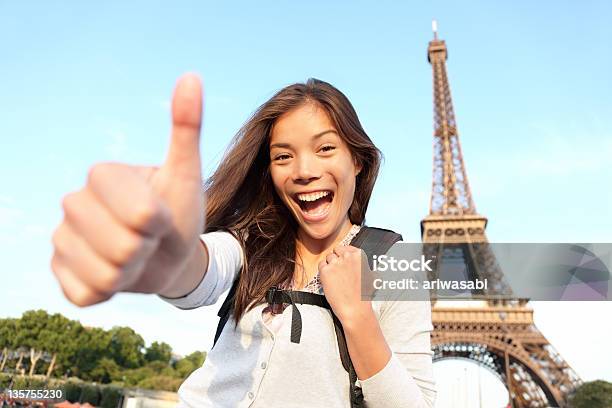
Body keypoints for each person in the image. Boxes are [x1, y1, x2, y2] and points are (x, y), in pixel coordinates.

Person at [51, 74, 436, 407]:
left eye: (325, 148)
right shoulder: (253, 240)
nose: (304, 171)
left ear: (358, 160)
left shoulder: (394, 261)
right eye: (283, 156)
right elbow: (202, 269)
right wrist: (171, 261)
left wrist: (357, 317)